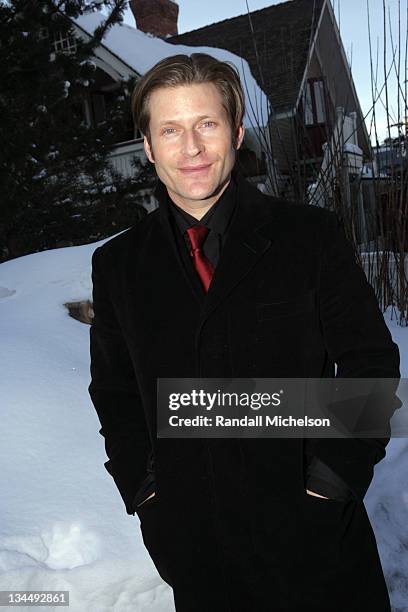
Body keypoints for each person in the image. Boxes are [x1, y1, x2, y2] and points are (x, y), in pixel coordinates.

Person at [88, 53, 401, 611]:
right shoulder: (118, 265)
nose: (191, 148)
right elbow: (115, 394)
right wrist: (146, 491)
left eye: (206, 124)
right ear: (149, 144)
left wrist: (332, 478)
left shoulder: (309, 237)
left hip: (318, 549)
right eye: (171, 130)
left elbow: (371, 364)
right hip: (200, 555)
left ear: (235, 132)